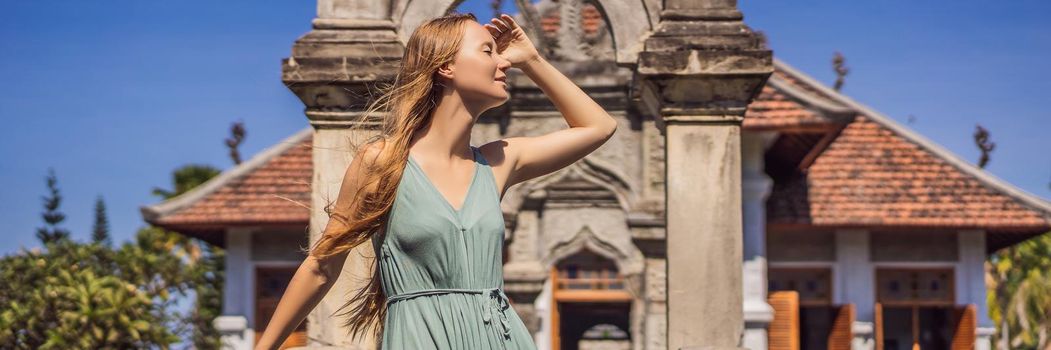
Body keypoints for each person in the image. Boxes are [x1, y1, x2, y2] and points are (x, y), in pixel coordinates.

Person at [253, 11, 617, 350]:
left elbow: (598, 127)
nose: (505, 62)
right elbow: (321, 266)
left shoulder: (497, 163)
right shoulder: (382, 162)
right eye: (488, 51)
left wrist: (534, 60)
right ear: (445, 65)